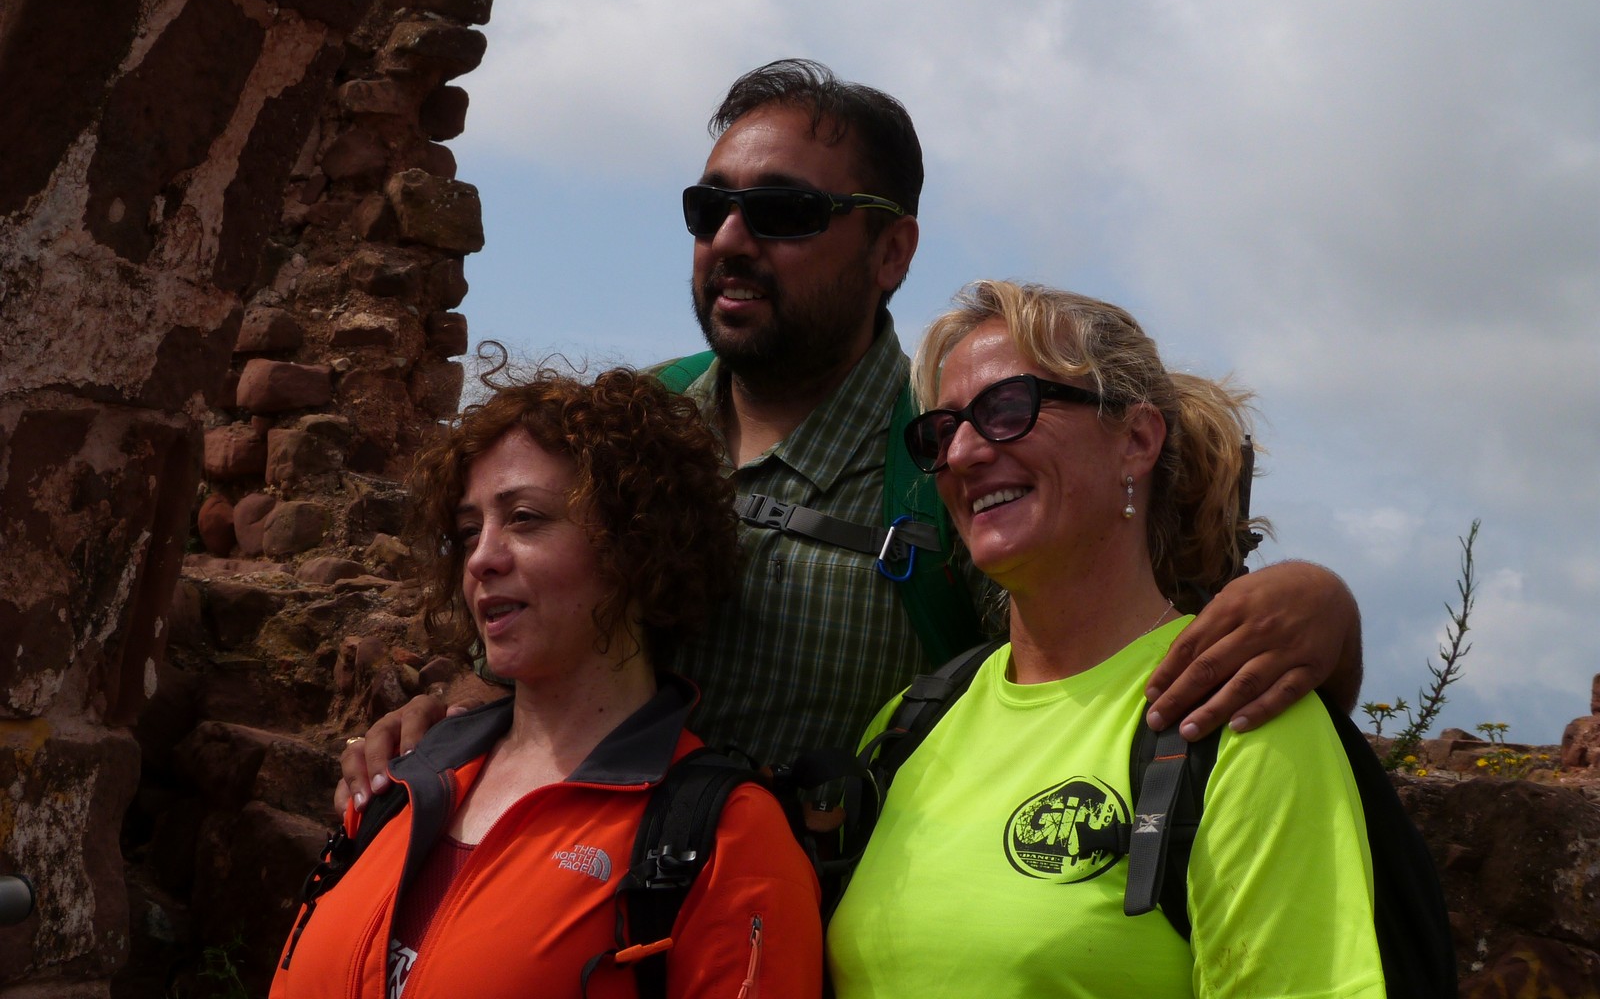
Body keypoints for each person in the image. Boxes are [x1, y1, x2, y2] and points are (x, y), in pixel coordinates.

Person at [338, 60, 1364, 807]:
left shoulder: (958, 464)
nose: (730, 239)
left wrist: (1324, 615)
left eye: (783, 212)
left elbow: (1145, 671)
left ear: (890, 252)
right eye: (709, 207)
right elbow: (530, 650)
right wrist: (454, 715)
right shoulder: (623, 431)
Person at [828, 281, 1383, 997]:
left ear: (1137, 440)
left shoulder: (1235, 717)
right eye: (941, 431)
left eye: (1006, 409)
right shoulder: (909, 726)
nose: (960, 453)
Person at [274, 365, 823, 999]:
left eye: (525, 518)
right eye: (468, 531)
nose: (482, 557)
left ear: (636, 545)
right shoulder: (406, 773)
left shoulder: (728, 840)